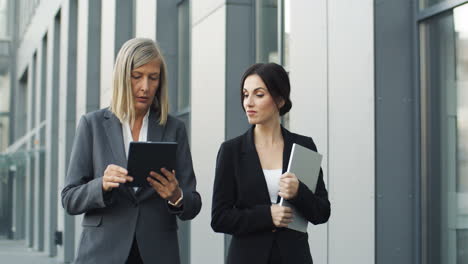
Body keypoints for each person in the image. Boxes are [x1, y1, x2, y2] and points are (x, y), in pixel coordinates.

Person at [61, 38, 201, 264]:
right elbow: (69, 198)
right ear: (122, 77)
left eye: (153, 78)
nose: (145, 86)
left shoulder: (174, 128)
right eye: (137, 76)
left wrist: (176, 196)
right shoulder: (92, 124)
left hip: (157, 253)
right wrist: (102, 185)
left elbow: (193, 203)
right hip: (102, 253)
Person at [211, 63, 331, 264]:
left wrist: (299, 192)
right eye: (245, 94)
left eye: (259, 95)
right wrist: (267, 215)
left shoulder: (303, 146)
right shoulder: (231, 151)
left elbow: (322, 212)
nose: (248, 103)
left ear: (280, 99)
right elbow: (220, 218)